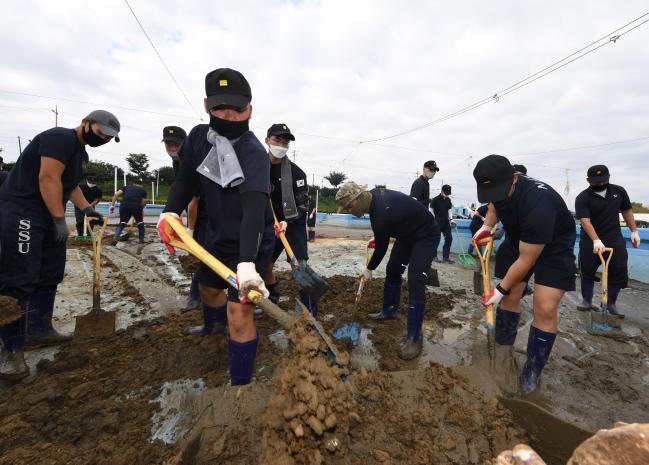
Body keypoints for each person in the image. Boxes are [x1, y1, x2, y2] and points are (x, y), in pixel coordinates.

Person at [157, 67, 274, 386]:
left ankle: (241, 384)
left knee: (240, 314)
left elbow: (253, 210)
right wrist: (169, 213)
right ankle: (213, 327)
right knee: (208, 290)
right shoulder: (197, 138)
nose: (230, 115)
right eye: (221, 108)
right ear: (207, 104)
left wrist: (248, 264)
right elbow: (184, 180)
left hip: (250, 242)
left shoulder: (253, 153)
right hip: (213, 237)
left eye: (238, 108)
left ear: (250, 109)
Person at [0, 109, 118, 380]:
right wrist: (58, 218)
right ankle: (9, 349)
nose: (103, 139)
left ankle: (38, 329)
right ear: (86, 123)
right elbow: (48, 178)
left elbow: (68, 184)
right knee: (19, 278)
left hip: (46, 214)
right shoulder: (60, 138)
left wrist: (87, 208)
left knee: (50, 272)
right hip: (24, 211)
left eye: (109, 138)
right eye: (101, 133)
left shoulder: (78, 153)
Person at [472, 155, 576, 395]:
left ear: (514, 178)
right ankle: (502, 352)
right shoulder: (498, 190)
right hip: (518, 237)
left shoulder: (539, 202)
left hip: (553, 246)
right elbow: (494, 206)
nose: (495, 196)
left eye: (500, 190)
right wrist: (487, 226)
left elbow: (526, 259)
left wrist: (498, 290)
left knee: (545, 307)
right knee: (511, 298)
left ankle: (533, 368)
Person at [336, 182, 440, 360]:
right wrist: (379, 234)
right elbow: (387, 225)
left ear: (359, 198)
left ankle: (414, 338)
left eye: (350, 206)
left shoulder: (381, 214)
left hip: (426, 235)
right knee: (393, 270)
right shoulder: (373, 198)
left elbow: (382, 247)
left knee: (415, 278)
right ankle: (389, 310)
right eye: (346, 208)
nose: (349, 210)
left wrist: (369, 269)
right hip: (406, 235)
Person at [574, 165, 640, 316]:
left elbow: (627, 210)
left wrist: (634, 230)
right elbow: (585, 221)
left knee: (618, 271)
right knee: (587, 271)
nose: (601, 184)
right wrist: (596, 240)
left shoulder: (619, 191)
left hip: (614, 239)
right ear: (588, 180)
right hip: (591, 240)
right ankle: (587, 301)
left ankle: (611, 303)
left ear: (609, 177)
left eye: (603, 180)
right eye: (596, 181)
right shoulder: (583, 197)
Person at [263, 123, 314, 314]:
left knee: (299, 266)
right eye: (277, 140)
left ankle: (308, 309)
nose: (281, 145)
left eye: (285, 142)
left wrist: (287, 221)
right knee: (265, 264)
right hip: (269, 223)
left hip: (292, 224)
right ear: (267, 140)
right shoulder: (258, 167)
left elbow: (303, 205)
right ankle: (273, 297)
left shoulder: (297, 173)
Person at [162, 126, 202, 312]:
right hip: (198, 208)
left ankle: (198, 296)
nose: (172, 148)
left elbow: (194, 199)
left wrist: (190, 230)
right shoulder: (178, 162)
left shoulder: (193, 158)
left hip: (209, 209)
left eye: (176, 144)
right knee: (197, 255)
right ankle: (196, 296)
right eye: (168, 144)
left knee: (200, 251)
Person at [431, 184, 455, 263]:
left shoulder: (448, 200)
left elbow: (449, 210)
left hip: (446, 222)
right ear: (442, 191)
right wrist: (433, 219)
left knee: (449, 238)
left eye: (448, 193)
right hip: (437, 222)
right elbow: (431, 210)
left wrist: (451, 219)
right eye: (446, 193)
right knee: (436, 239)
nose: (447, 194)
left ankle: (446, 257)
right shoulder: (435, 199)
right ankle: (434, 256)